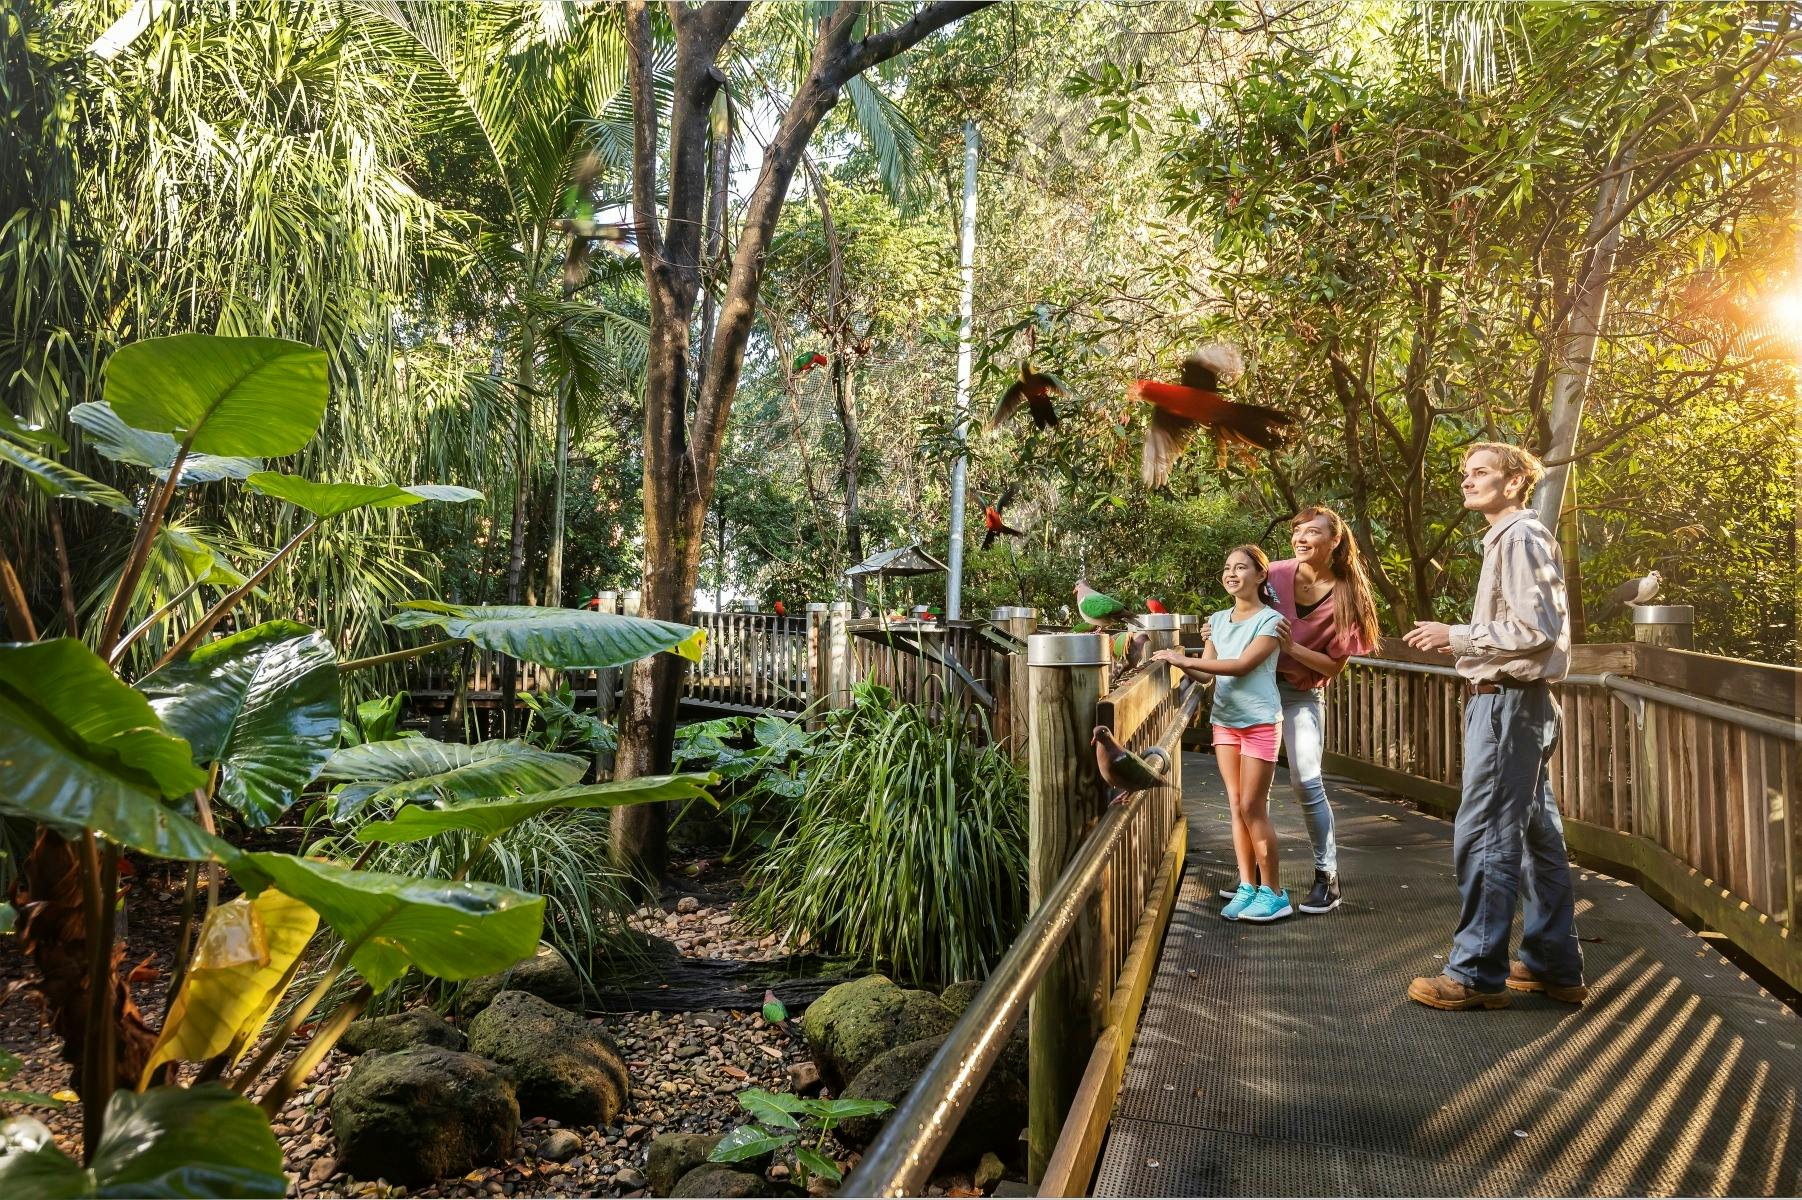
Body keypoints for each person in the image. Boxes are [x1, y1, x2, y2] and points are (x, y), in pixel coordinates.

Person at [1401, 442, 1587, 1010]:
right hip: (1522, 706)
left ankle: (1476, 974)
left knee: (1486, 835)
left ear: (1513, 482)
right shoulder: (1513, 538)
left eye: (1480, 472)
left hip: (1508, 705)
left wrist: (1456, 635)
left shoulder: (1522, 538)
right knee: (1538, 838)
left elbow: (1536, 629)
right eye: (1465, 473)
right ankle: (1553, 965)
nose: (1467, 481)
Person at [1153, 545, 1289, 923]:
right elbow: (1209, 672)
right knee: (1234, 805)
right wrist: (1176, 662)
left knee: (1252, 807)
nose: (1231, 573)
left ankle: (1274, 892)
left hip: (1260, 721)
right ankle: (1247, 886)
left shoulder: (1271, 621)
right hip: (1225, 720)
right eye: (1227, 567)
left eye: (1241, 567)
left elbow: (1243, 665)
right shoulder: (1217, 619)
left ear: (1260, 575)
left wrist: (1186, 658)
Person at [1267, 506, 1382, 914]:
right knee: (1252, 787)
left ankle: (1327, 876)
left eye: (1312, 532)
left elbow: (1334, 665)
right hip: (1257, 688)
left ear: (1334, 541)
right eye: (1297, 530)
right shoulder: (1275, 574)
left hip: (1301, 694)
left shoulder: (1348, 593)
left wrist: (1291, 649)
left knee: (1306, 780)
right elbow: (1242, 610)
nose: (1300, 537)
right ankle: (1258, 881)